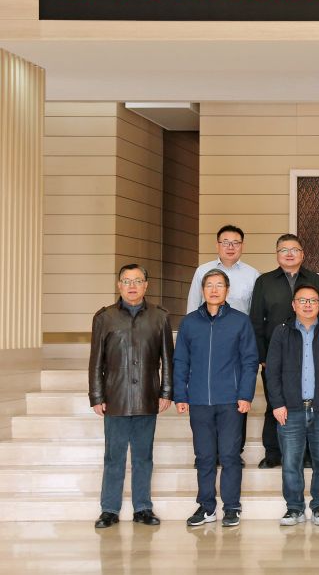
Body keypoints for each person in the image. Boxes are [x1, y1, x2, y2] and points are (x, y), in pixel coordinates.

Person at [89, 263, 173, 529]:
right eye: (127, 281)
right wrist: (97, 396)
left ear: (146, 285)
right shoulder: (105, 317)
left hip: (147, 396)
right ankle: (109, 510)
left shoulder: (159, 317)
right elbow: (96, 361)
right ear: (119, 285)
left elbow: (168, 359)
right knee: (113, 457)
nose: (132, 286)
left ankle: (143, 508)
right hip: (115, 397)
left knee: (143, 457)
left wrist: (166, 392)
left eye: (137, 281)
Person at [174, 269, 259, 528]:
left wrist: (245, 394)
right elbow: (180, 361)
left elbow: (250, 361)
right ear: (202, 290)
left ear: (227, 290)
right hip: (199, 400)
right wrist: (180, 394)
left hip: (230, 401)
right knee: (204, 456)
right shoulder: (189, 323)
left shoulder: (240, 322)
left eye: (219, 285)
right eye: (209, 285)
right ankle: (206, 506)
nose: (213, 290)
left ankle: (231, 507)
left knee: (231, 455)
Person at [265, 284, 319, 527]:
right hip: (290, 409)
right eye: (302, 300)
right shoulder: (282, 332)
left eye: (313, 300)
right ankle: (294, 508)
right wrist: (277, 404)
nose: (308, 305)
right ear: (294, 305)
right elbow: (272, 372)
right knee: (291, 462)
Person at [250, 234, 319, 469]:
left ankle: (307, 453)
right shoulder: (264, 282)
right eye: (284, 250)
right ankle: (273, 453)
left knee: (308, 405)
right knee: (275, 403)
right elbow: (256, 321)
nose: (289, 254)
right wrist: (262, 356)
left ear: (303, 254)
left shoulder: (316, 280)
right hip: (275, 356)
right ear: (277, 254)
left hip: (309, 353)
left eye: (294, 249)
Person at [186, 224, 260, 315]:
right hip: (207, 323)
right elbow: (193, 305)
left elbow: (256, 312)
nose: (230, 247)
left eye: (236, 243)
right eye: (225, 243)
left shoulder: (253, 275)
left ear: (242, 246)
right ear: (217, 245)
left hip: (240, 324)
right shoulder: (202, 271)